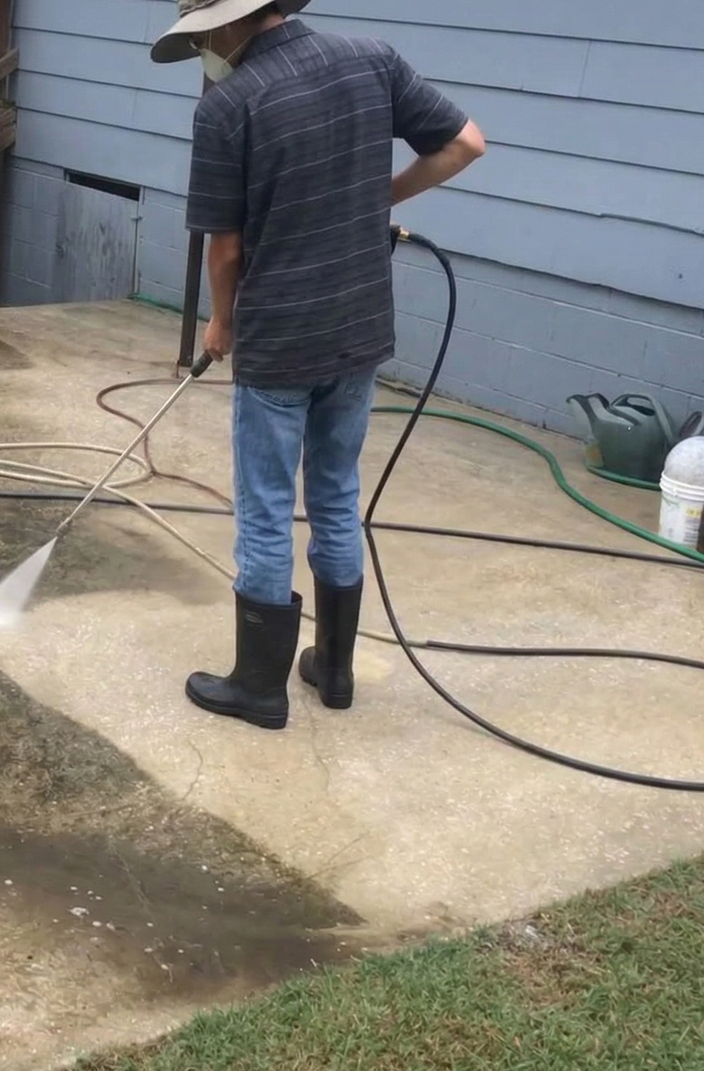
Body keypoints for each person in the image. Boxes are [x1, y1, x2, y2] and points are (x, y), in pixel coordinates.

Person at [150, 0, 486, 730]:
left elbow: (227, 249)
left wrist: (221, 323)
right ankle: (334, 672)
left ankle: (258, 688)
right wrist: (379, 199)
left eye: (205, 33)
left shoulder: (228, 105)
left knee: (267, 507)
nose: (206, 46)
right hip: (360, 325)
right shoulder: (373, 58)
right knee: (336, 493)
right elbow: (465, 144)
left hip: (280, 337)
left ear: (229, 24)